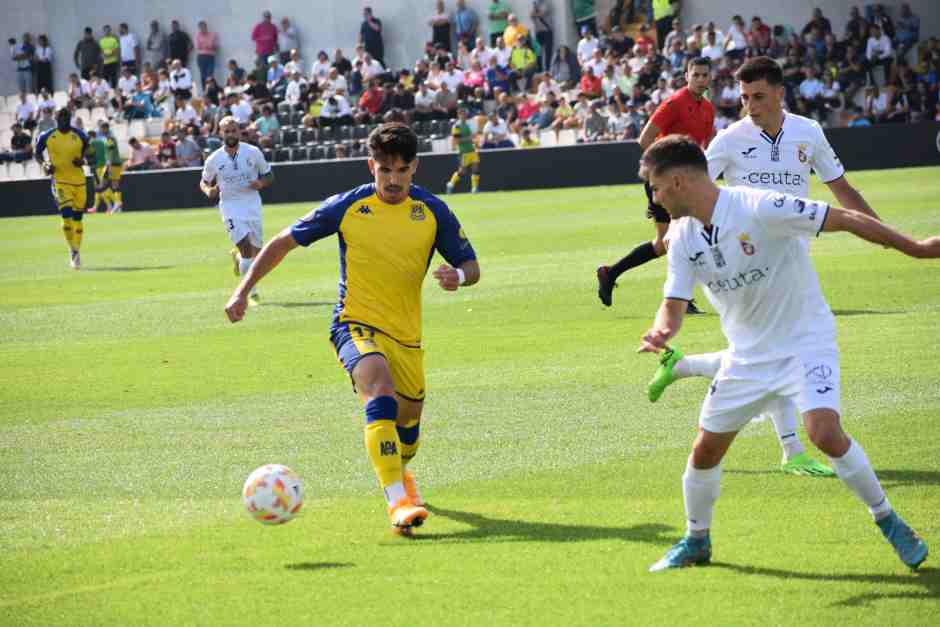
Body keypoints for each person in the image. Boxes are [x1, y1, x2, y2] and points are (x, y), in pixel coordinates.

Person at [637, 134, 933, 572]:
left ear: (677, 181)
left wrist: (918, 248)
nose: (655, 199)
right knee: (704, 452)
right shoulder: (681, 237)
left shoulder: (761, 207)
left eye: (656, 188)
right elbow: (674, 301)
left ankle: (888, 520)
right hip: (746, 357)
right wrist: (663, 328)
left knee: (824, 433)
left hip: (803, 340)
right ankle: (696, 540)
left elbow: (847, 218)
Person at [223, 122, 480, 536]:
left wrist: (460, 278)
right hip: (353, 324)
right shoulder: (347, 206)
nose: (392, 179)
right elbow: (282, 242)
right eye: (384, 170)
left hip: (407, 336)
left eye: (400, 170)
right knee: (378, 390)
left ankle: (401, 474)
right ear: (370, 166)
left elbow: (472, 266)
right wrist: (242, 291)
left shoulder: (433, 212)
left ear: (414, 168)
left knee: (408, 432)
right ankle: (396, 500)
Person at [649, 55, 883, 477]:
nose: (750, 106)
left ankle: (683, 367)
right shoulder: (730, 139)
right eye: (743, 98)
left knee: (769, 350)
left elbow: (841, 187)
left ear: (779, 93)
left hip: (793, 252)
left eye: (757, 97)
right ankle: (792, 450)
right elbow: (690, 183)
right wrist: (674, 230)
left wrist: (879, 232)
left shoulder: (807, 132)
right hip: (746, 253)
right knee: (776, 348)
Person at [596, 57, 714, 312]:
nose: (701, 79)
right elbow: (645, 138)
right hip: (664, 181)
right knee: (683, 236)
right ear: (687, 76)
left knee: (663, 244)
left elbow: (702, 146)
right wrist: (664, 173)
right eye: (696, 75)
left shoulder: (707, 108)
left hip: (685, 182)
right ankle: (682, 299)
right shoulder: (674, 103)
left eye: (705, 75)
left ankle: (610, 273)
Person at [201, 116, 274, 306]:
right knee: (247, 249)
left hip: (252, 204)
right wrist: (209, 190)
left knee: (257, 253)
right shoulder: (214, 159)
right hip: (230, 206)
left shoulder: (253, 152)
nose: (231, 134)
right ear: (220, 133)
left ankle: (238, 257)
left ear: (239, 132)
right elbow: (204, 181)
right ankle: (251, 293)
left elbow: (269, 175)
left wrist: (261, 183)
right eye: (227, 131)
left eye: (234, 130)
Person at [35, 108, 92, 270]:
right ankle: (73, 253)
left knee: (78, 219)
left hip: (79, 181)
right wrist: (45, 164)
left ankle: (76, 249)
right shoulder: (47, 136)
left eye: (67, 118)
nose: (64, 121)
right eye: (61, 119)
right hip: (60, 181)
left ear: (70, 118)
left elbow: (90, 154)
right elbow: (37, 154)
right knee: (66, 215)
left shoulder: (80, 135)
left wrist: (83, 161)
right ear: (56, 119)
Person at [446, 107, 480, 194]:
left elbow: (472, 137)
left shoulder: (467, 125)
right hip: (463, 151)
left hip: (472, 150)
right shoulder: (456, 126)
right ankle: (451, 184)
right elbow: (457, 141)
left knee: (475, 168)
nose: (463, 115)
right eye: (461, 114)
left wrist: (474, 141)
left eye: (464, 114)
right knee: (462, 171)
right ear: (458, 115)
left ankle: (474, 188)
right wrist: (469, 138)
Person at [98, 121, 125, 213]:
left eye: (101, 128)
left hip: (113, 164)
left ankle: (117, 203)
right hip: (113, 163)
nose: (100, 130)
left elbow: (111, 151)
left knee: (112, 184)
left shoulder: (109, 138)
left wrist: (109, 164)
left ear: (105, 128)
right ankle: (117, 205)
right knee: (108, 184)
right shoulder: (108, 138)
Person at [195, 20, 219, 88]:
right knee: (203, 75)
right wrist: (208, 45)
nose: (202, 29)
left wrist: (208, 46)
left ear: (206, 27)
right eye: (201, 28)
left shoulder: (212, 34)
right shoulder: (198, 35)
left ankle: (211, 90)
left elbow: (215, 46)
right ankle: (204, 90)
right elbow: (198, 46)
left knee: (210, 74)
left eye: (204, 27)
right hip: (201, 57)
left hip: (210, 56)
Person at [530, 0, 553, 72]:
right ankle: (540, 70)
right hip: (538, 31)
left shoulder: (546, 3)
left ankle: (547, 70)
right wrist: (534, 13)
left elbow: (542, 14)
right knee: (538, 52)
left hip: (547, 30)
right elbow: (531, 15)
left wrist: (535, 13)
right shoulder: (534, 3)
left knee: (548, 51)